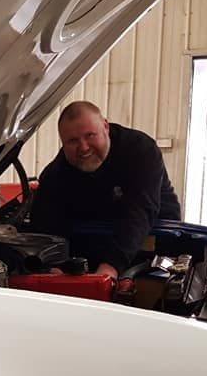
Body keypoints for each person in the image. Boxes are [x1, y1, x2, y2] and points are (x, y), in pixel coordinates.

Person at [28, 101, 180, 279]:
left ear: (105, 127)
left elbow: (139, 212)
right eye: (73, 141)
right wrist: (55, 265)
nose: (83, 147)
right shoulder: (55, 175)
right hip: (93, 246)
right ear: (62, 142)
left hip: (153, 239)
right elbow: (44, 225)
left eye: (90, 135)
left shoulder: (140, 151)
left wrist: (111, 267)